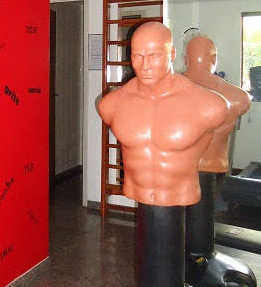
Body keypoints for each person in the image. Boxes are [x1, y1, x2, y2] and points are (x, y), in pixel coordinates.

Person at [96, 22, 228, 206]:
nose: (145, 66)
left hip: (182, 196)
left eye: (154, 56)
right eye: (137, 56)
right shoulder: (110, 104)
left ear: (172, 54)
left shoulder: (210, 105)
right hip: (135, 192)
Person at [183, 36, 251, 173]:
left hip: (177, 168)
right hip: (214, 167)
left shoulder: (166, 91)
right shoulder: (241, 98)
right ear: (214, 59)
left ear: (186, 60)